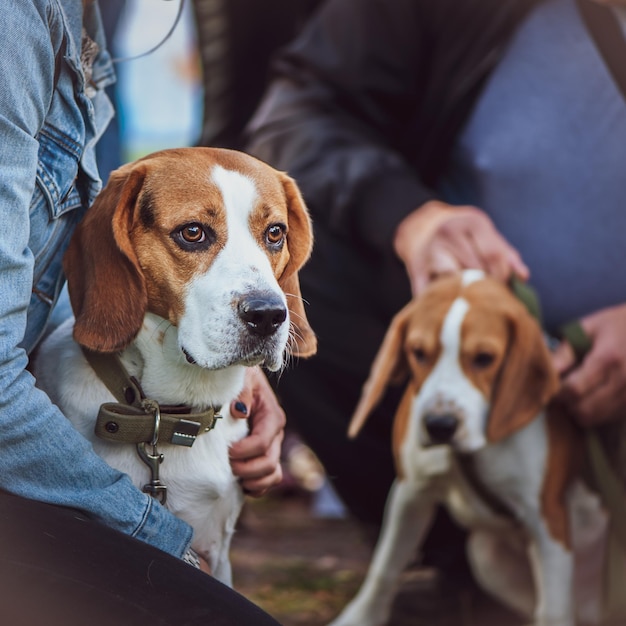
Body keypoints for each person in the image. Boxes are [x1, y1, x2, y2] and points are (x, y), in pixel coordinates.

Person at [244, 0, 626, 598]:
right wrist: (404, 213)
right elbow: (294, 116)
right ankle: (458, 562)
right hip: (451, 333)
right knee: (289, 273)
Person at [0, 1, 285, 623]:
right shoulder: (13, 25)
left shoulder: (88, 27)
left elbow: (29, 277)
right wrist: (159, 537)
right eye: (193, 235)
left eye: (273, 237)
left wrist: (239, 358)